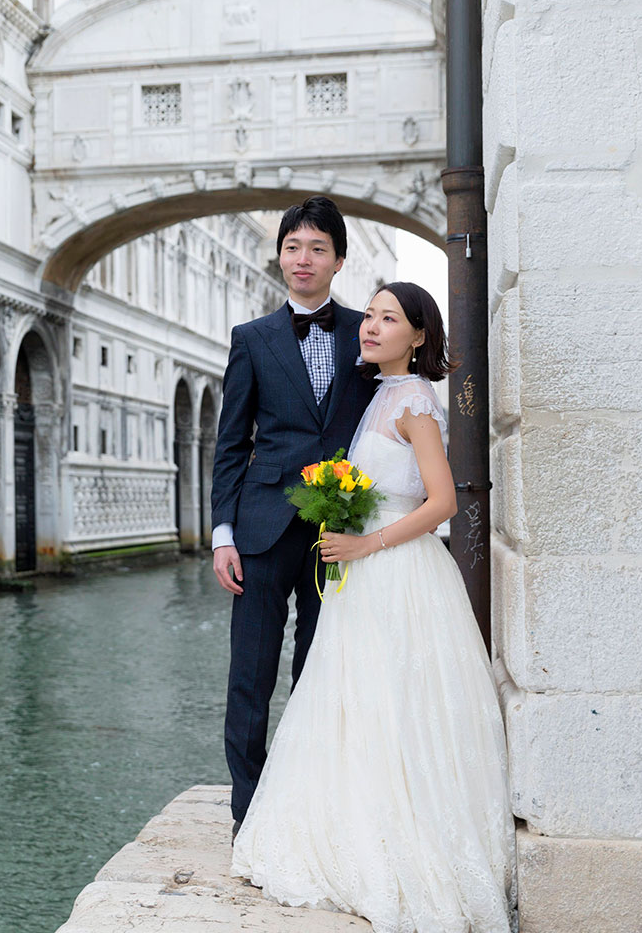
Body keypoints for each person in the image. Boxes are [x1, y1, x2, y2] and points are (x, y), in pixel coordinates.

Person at [230, 281, 516, 933]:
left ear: (418, 336)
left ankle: (401, 838)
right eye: (373, 314)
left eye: (390, 318)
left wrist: (366, 540)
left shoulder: (413, 397)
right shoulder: (381, 394)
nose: (372, 325)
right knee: (354, 702)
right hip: (363, 572)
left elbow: (442, 502)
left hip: (397, 568)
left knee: (395, 704)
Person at [210, 195, 379, 839]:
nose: (303, 259)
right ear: (280, 256)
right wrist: (223, 534)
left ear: (338, 259)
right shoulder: (250, 340)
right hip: (258, 527)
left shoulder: (368, 333)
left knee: (318, 666)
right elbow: (231, 444)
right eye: (293, 247)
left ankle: (310, 799)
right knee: (249, 674)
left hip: (339, 527)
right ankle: (247, 812)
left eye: (316, 248)